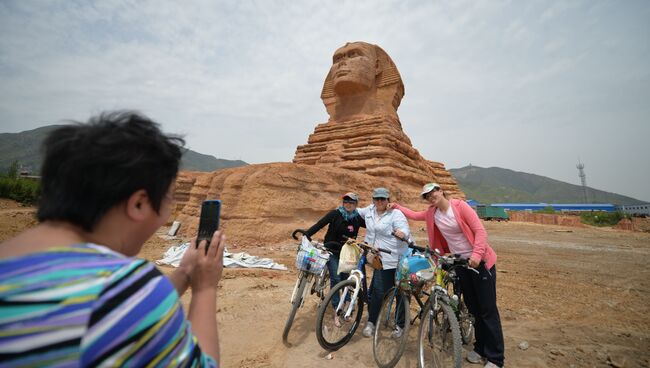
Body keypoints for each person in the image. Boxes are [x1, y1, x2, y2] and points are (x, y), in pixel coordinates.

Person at [0, 111, 225, 367]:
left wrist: (185, 272)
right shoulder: (120, 287)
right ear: (139, 203)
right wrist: (205, 287)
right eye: (168, 200)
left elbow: (122, 316)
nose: (166, 216)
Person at [390, 183, 505, 368]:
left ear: (441, 190)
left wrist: (476, 255)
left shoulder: (459, 207)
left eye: (433, 192)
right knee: (474, 309)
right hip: (460, 264)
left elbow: (480, 231)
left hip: (480, 264)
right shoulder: (431, 214)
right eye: (427, 196)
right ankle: (480, 348)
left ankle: (496, 357)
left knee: (487, 310)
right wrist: (396, 206)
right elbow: (413, 214)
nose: (431, 196)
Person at [304, 192, 365, 325]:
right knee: (336, 278)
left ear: (356, 205)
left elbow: (374, 227)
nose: (348, 204)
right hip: (331, 250)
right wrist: (307, 234)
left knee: (345, 279)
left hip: (346, 253)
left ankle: (346, 305)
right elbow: (320, 224)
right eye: (346, 202)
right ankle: (337, 310)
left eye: (351, 202)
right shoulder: (335, 214)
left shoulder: (357, 219)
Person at [357, 187, 411, 338]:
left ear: (388, 200)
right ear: (373, 200)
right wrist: (343, 207)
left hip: (397, 259)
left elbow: (404, 229)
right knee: (378, 292)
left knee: (400, 291)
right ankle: (372, 322)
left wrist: (402, 233)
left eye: (383, 199)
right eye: (377, 199)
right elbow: (356, 210)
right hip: (379, 259)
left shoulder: (396, 214)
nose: (379, 201)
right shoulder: (369, 211)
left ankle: (400, 325)